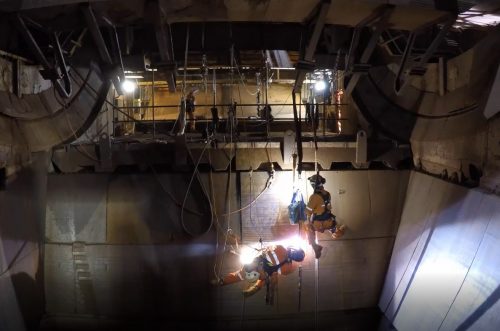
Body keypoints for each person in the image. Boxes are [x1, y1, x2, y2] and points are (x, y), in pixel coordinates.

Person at [215, 245, 305, 304]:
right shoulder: (288, 268)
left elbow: (266, 249)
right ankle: (256, 288)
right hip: (259, 275)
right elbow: (275, 273)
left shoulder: (280, 247)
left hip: (254, 266)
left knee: (240, 275)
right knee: (267, 277)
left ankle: (221, 281)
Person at [304, 174, 346, 259]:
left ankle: (315, 246)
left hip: (318, 224)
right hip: (329, 222)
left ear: (313, 185)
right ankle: (337, 231)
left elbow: (307, 212)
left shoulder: (314, 197)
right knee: (334, 229)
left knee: (307, 227)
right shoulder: (327, 194)